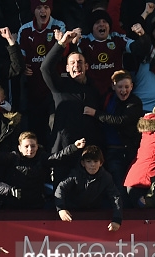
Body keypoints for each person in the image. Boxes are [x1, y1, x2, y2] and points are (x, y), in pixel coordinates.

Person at [41, 30, 102, 184]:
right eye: (72, 63)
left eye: (80, 62)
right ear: (67, 69)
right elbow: (45, 68)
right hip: (63, 150)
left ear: (87, 66)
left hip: (87, 152)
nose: (77, 65)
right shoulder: (60, 86)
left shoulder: (93, 89)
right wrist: (62, 43)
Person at [0, 131, 85, 209]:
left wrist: (74, 147)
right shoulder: (13, 157)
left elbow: (59, 156)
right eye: (26, 146)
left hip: (36, 204)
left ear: (37, 146)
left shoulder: (42, 157)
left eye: (33, 146)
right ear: (19, 148)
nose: (30, 149)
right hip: (14, 205)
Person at [83, 70, 144, 205]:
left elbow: (121, 120)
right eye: (120, 87)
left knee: (125, 184)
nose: (123, 90)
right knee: (113, 183)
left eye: (127, 87)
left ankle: (127, 213)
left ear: (132, 87)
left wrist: (96, 114)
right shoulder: (108, 98)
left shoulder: (135, 102)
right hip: (108, 148)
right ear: (113, 86)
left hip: (125, 150)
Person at [17, 0, 66, 141]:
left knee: (53, 127)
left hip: (53, 90)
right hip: (33, 89)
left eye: (46, 7)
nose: (42, 11)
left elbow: (65, 55)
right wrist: (23, 67)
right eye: (39, 7)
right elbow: (21, 58)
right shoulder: (25, 30)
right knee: (34, 127)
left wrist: (61, 44)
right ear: (33, 10)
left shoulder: (59, 26)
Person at [75, 10, 149, 96]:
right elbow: (72, 56)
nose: (101, 24)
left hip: (115, 93)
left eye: (105, 21)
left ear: (109, 26)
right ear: (92, 27)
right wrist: (73, 42)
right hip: (91, 91)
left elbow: (141, 49)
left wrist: (143, 35)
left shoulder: (117, 38)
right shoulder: (84, 41)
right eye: (97, 22)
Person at [54, 145, 122, 231]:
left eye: (96, 161)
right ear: (83, 163)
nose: (92, 165)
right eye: (89, 161)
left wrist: (117, 219)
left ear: (101, 163)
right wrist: (61, 209)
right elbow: (60, 188)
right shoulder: (75, 174)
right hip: (72, 210)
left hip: (94, 210)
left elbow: (115, 197)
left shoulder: (106, 177)